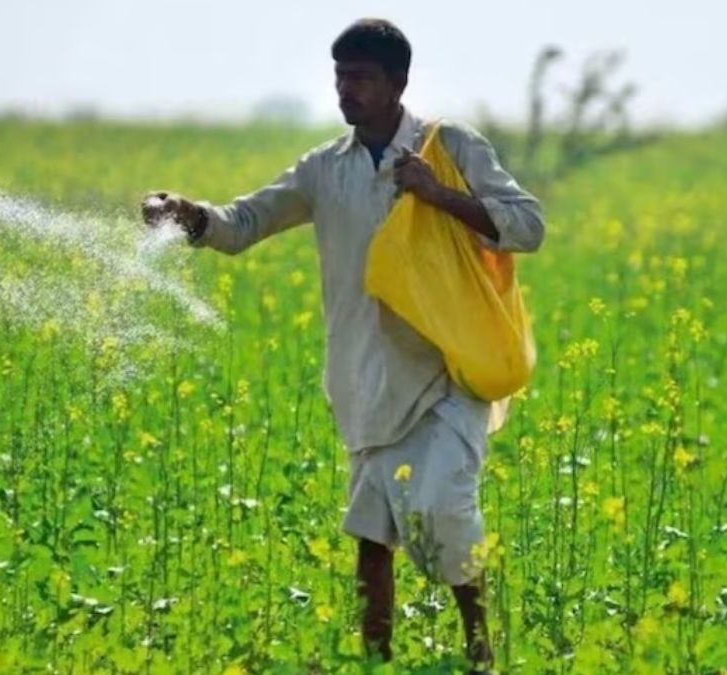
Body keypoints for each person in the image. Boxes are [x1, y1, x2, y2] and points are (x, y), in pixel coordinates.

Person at [142, 18, 545, 673]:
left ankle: (481, 651)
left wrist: (438, 194)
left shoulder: (450, 147)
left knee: (445, 509)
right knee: (371, 535)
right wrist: (189, 214)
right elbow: (244, 222)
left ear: (397, 83)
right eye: (339, 77)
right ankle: (374, 661)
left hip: (447, 374)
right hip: (365, 380)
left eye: (360, 77)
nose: (345, 90)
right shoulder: (324, 168)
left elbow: (528, 225)